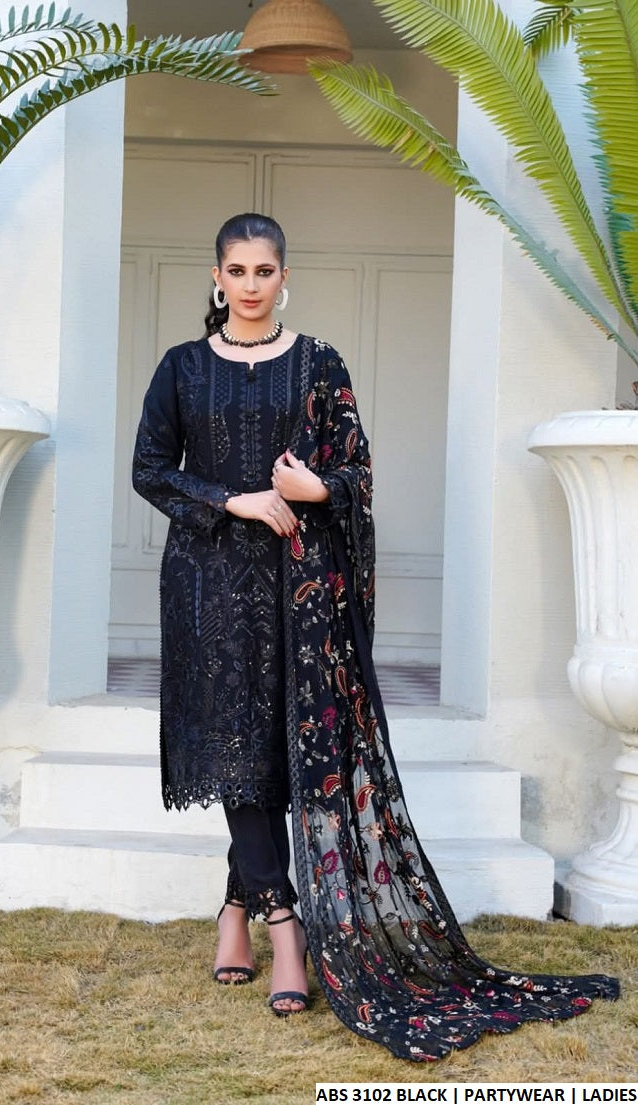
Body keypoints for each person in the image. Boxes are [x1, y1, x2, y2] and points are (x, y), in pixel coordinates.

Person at [132, 212, 619, 1061]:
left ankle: (235, 907)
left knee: (281, 751)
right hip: (209, 587)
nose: (250, 285)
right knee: (238, 747)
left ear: (285, 277)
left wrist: (315, 488)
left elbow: (357, 469)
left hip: (301, 590)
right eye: (237, 271)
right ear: (217, 276)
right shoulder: (181, 367)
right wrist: (237, 498)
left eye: (264, 270)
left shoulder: (320, 364)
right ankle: (284, 925)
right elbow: (150, 469)